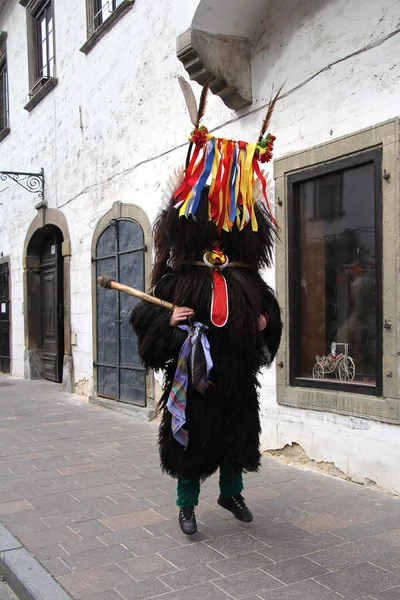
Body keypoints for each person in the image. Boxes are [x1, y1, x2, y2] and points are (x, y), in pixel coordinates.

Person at [130, 83, 282, 535]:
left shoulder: (246, 275)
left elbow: (271, 313)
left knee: (237, 437)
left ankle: (231, 492)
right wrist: (170, 321)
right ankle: (186, 504)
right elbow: (147, 316)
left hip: (235, 374)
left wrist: (264, 321)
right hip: (194, 378)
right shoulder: (179, 278)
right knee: (191, 443)